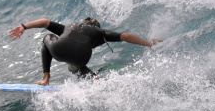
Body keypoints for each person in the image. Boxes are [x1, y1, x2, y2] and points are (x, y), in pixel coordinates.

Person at [9, 17, 161, 85]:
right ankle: (96, 80)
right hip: (83, 56)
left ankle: (45, 78)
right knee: (74, 66)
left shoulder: (68, 26)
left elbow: (45, 22)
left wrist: (24, 26)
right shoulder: (100, 33)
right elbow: (126, 36)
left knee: (47, 37)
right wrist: (147, 43)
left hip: (59, 49)